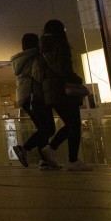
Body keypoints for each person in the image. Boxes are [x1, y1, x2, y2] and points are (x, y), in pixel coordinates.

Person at [36, 20, 90, 171]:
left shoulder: (42, 49)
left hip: (51, 93)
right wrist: (78, 80)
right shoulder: (59, 45)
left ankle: (50, 149)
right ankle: (72, 160)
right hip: (63, 90)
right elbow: (65, 69)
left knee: (70, 124)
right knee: (74, 125)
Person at [11, 33, 54, 168]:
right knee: (49, 129)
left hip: (24, 98)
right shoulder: (35, 57)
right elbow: (38, 75)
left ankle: (45, 161)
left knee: (42, 129)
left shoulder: (20, 59)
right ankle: (24, 149)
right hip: (35, 95)